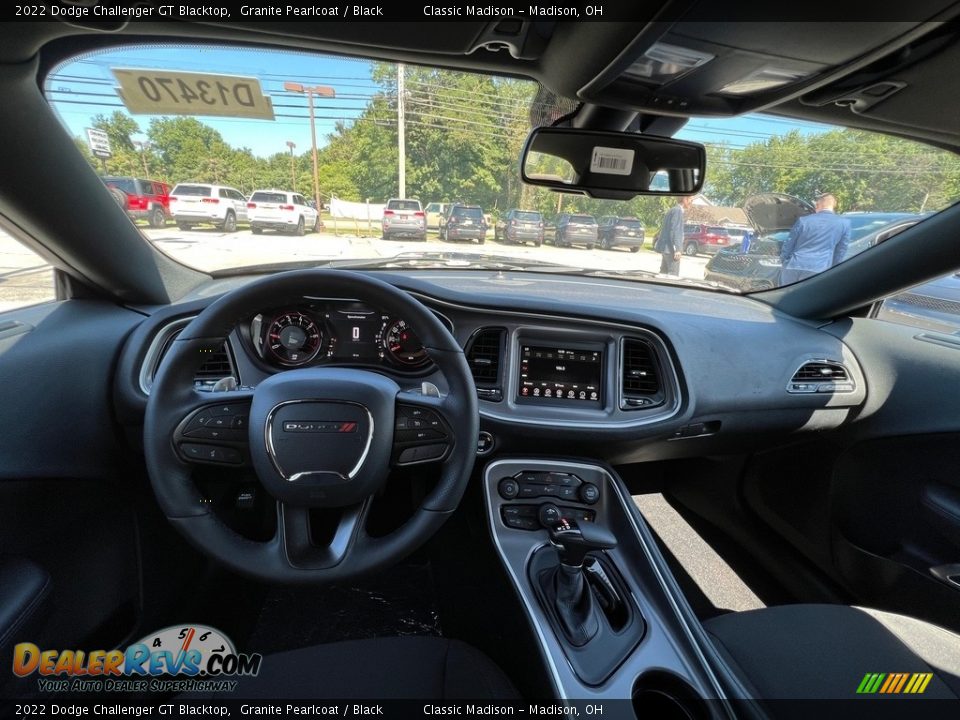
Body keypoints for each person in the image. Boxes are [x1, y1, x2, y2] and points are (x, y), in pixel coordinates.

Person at [779, 192, 851, 285]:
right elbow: (841, 251)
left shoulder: (803, 220)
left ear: (817, 205)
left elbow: (789, 243)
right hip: (819, 269)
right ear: (833, 206)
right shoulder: (844, 224)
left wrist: (785, 261)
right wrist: (833, 269)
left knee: (785, 297)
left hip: (793, 265)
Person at [655, 195, 692, 276]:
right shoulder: (677, 211)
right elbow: (675, 230)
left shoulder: (671, 210)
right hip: (671, 250)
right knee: (673, 275)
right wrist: (678, 249)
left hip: (665, 249)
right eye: (690, 200)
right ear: (685, 199)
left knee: (663, 274)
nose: (691, 203)